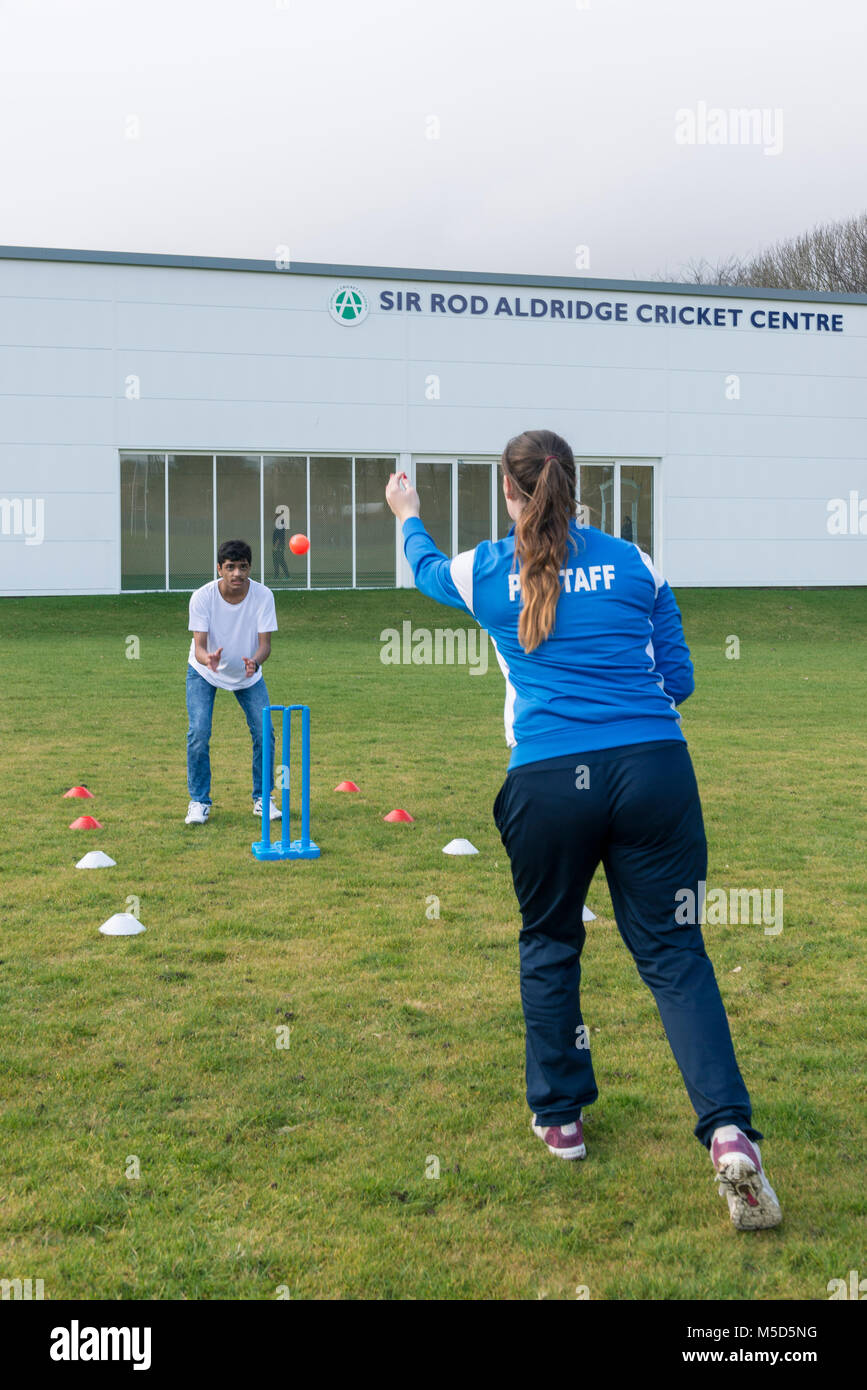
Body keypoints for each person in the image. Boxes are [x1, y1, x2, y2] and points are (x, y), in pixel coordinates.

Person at [384, 430, 782, 1231]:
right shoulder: (636, 560)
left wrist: (406, 513)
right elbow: (680, 680)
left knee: (550, 941)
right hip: (653, 771)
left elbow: (425, 571)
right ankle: (727, 1131)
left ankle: (560, 1120)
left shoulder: (486, 571)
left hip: (547, 783)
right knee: (675, 954)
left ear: (508, 492)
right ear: (576, 484)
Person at [184, 539, 280, 825]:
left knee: (265, 733)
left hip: (248, 675)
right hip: (204, 672)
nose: (237, 574)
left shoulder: (263, 596)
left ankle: (263, 798)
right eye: (230, 568)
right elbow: (199, 646)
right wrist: (207, 659)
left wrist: (256, 661)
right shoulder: (202, 597)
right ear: (219, 569)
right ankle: (199, 802)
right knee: (199, 732)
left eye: (242, 567)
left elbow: (265, 644)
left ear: (249, 568)